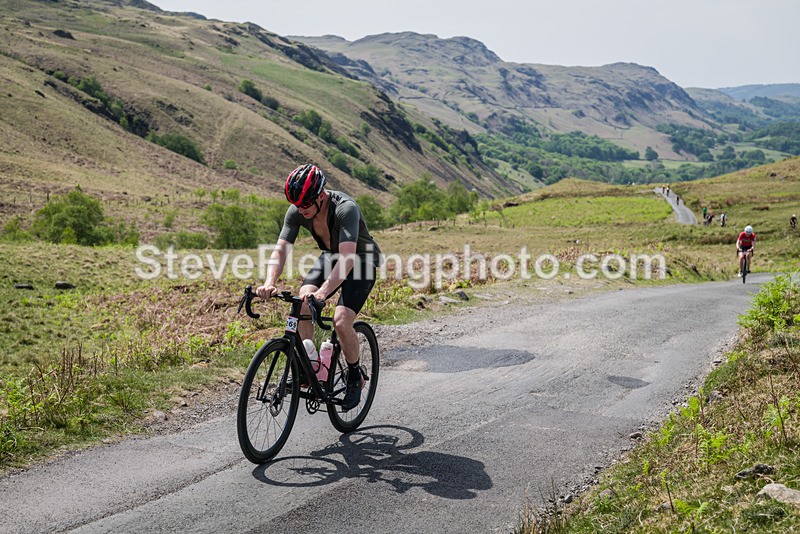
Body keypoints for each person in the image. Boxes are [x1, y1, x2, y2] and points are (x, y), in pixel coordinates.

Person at [257, 163, 382, 411]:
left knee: (341, 319)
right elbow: (281, 249)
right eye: (296, 204)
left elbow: (348, 259)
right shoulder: (297, 210)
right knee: (302, 300)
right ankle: (310, 365)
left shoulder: (346, 209)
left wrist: (323, 293)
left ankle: (355, 375)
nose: (300, 210)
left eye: (305, 205)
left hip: (361, 259)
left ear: (320, 196)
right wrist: (269, 282)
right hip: (332, 255)